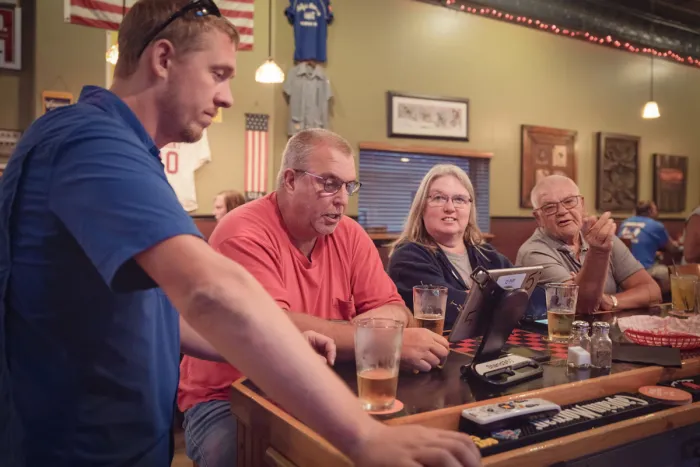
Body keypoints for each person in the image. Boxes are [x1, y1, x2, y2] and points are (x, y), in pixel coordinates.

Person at [0, 1, 480, 467]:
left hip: (129, 440)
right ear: (163, 58)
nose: (228, 97)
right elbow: (210, 293)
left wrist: (291, 343)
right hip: (72, 446)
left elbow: (169, 313)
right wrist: (362, 436)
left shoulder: (129, 152)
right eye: (218, 74)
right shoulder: (88, 138)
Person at [178, 128, 461, 467]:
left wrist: (349, 334)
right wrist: (385, 339)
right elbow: (272, 330)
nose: (342, 199)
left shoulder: (350, 234)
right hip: (231, 395)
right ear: (290, 180)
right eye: (329, 183)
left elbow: (396, 310)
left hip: (324, 382)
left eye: (348, 186)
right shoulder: (243, 232)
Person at [387, 164, 540, 328]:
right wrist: (506, 300)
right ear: (421, 207)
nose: (450, 208)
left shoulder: (487, 254)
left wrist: (473, 298)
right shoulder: (408, 257)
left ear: (470, 209)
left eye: (459, 199)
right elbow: (450, 312)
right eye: (438, 198)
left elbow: (534, 299)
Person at [516, 175, 661, 314]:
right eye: (549, 207)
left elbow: (652, 291)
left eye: (569, 201)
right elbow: (582, 305)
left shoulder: (602, 238)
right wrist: (598, 252)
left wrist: (612, 301)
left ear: (582, 204)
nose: (562, 211)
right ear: (538, 218)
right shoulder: (532, 253)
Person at [617, 201, 679, 269]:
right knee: (665, 271)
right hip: (642, 269)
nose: (657, 212)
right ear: (650, 211)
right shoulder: (656, 225)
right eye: (656, 210)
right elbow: (672, 248)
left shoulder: (625, 222)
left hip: (620, 269)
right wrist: (679, 244)